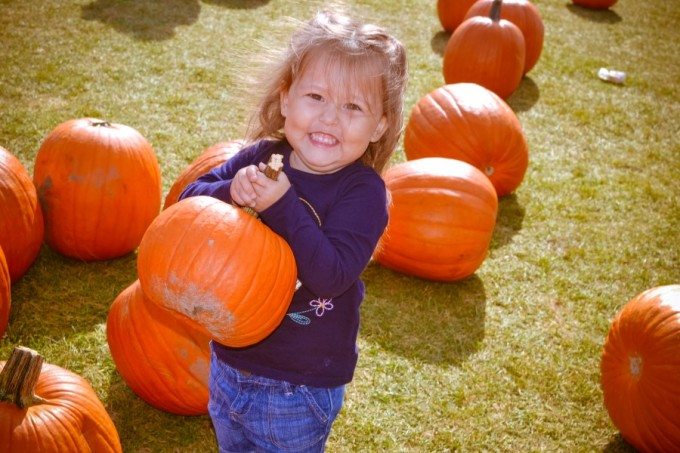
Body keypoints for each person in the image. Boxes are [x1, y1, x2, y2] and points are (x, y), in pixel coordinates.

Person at [180, 8, 407, 452]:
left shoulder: (362, 193)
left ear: (379, 125)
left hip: (298, 388)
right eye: (316, 97)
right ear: (286, 99)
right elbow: (188, 204)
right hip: (227, 363)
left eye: (353, 107)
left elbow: (331, 274)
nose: (329, 119)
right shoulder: (262, 157)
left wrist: (280, 204)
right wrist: (231, 189)